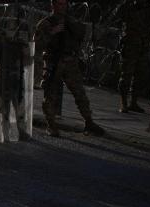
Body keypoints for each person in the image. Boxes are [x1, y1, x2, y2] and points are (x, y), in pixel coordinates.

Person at [35, 0, 104, 136]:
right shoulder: (45, 23)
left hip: (70, 62)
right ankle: (51, 125)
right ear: (53, 5)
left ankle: (89, 121)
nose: (62, 7)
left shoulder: (71, 22)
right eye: (59, 4)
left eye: (64, 4)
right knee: (50, 95)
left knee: (80, 93)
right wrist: (52, 32)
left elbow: (82, 36)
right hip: (53, 62)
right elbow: (37, 44)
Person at [115, 0, 150, 113]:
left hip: (144, 46)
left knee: (141, 75)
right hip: (131, 46)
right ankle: (123, 102)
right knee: (126, 74)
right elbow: (119, 15)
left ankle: (133, 102)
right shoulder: (130, 6)